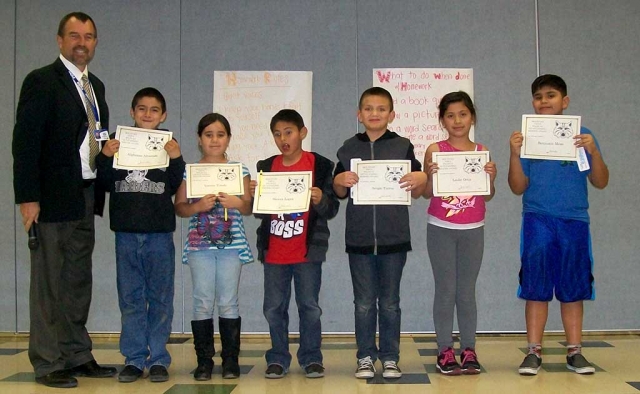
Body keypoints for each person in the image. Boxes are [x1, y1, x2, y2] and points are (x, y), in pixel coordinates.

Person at [12, 11, 116, 389]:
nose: (81, 42)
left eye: (88, 36)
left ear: (95, 43)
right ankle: (47, 361)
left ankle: (76, 353)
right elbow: (24, 145)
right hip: (51, 199)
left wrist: (108, 153)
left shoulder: (96, 87)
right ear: (59, 41)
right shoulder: (42, 82)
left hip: (85, 194)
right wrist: (28, 199)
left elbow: (93, 136)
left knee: (77, 280)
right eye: (74, 35)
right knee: (48, 284)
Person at [508, 74, 609, 375]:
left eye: (551, 96)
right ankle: (533, 352)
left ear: (564, 101)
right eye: (538, 97)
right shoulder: (526, 137)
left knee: (573, 287)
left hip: (574, 221)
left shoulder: (584, 135)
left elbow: (601, 181)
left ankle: (575, 352)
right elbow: (517, 186)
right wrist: (515, 154)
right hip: (537, 220)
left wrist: (594, 151)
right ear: (533, 103)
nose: (544, 102)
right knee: (535, 286)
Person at [333, 87, 426, 379]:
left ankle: (389, 357)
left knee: (390, 302)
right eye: (369, 109)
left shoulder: (402, 145)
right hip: (359, 239)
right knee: (362, 303)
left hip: (393, 238)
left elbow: (419, 183)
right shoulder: (348, 148)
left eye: (381, 109)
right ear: (359, 114)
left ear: (391, 114)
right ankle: (364, 356)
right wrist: (339, 180)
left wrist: (421, 176)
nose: (375, 113)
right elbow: (338, 192)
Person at [95, 87, 185, 383]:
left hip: (159, 234)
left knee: (160, 297)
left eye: (155, 110)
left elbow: (174, 186)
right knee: (131, 298)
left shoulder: (168, 146)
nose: (148, 114)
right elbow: (105, 184)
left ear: (164, 116)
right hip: (126, 234)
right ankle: (134, 358)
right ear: (132, 113)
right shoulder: (118, 145)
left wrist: (176, 158)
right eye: (142, 109)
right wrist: (105, 157)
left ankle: (158, 358)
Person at [249, 109, 339, 379]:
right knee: (273, 307)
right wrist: (256, 196)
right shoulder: (267, 166)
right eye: (277, 134)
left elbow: (331, 208)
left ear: (302, 133)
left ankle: (311, 357)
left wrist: (320, 199)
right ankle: (278, 357)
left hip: (306, 252)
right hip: (275, 252)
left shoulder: (320, 165)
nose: (282, 139)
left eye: (288, 132)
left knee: (309, 307)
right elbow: (260, 213)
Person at [421, 91, 496, 375]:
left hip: (473, 229)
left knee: (466, 292)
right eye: (450, 115)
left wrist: (492, 176)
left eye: (463, 114)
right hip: (440, 228)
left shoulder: (481, 152)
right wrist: (430, 173)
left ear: (472, 117)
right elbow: (426, 193)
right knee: (445, 290)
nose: (457, 120)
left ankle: (468, 349)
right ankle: (444, 349)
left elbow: (487, 196)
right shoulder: (434, 149)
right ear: (442, 120)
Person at [174, 113, 254, 380]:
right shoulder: (190, 171)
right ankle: (204, 361)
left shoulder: (240, 169)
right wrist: (198, 206)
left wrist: (237, 202)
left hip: (233, 247)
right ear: (199, 139)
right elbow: (180, 208)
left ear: (228, 139)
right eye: (208, 135)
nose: (214, 140)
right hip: (199, 247)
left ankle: (230, 360)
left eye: (220, 135)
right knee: (201, 302)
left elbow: (248, 206)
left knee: (229, 302)